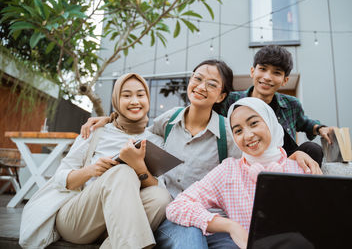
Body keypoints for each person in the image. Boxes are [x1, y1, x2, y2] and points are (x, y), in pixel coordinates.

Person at [80, 60, 321, 249]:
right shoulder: (168, 119)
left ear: (222, 96)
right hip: (170, 214)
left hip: (213, 218)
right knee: (190, 238)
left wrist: (294, 156)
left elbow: (258, 155)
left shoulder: (231, 130)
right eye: (198, 78)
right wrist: (110, 121)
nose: (201, 86)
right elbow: (141, 127)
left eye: (212, 84)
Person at [19, 73, 171, 249]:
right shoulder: (96, 131)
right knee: (122, 172)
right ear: (116, 100)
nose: (134, 101)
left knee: (161, 197)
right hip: (77, 220)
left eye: (140, 95)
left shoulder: (155, 140)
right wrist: (91, 170)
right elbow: (60, 178)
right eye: (127, 95)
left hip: (113, 225)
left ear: (148, 98)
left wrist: (139, 168)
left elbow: (161, 189)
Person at [166, 97, 310, 249]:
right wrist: (231, 226)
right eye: (238, 130)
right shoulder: (228, 172)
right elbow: (177, 207)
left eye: (254, 123)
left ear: (270, 121)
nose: (248, 135)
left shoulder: (302, 169)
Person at [221, 45, 335, 166]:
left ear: (285, 80)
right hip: (246, 159)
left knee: (312, 149)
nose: (267, 77)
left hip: (284, 161)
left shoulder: (291, 104)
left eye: (276, 73)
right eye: (263, 69)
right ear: (252, 71)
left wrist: (320, 128)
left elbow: (305, 123)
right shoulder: (231, 101)